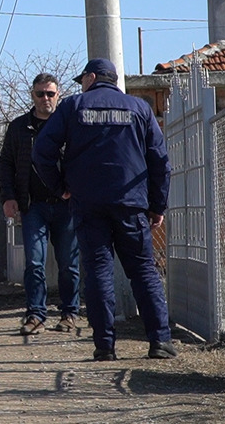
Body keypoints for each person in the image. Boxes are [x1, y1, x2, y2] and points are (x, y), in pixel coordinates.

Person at [32, 58, 176, 361]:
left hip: (88, 203)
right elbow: (160, 161)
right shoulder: (139, 109)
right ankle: (160, 342)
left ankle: (105, 346)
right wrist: (157, 205)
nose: (81, 84)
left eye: (82, 79)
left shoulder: (73, 107)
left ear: (92, 77)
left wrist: (60, 188)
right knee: (143, 271)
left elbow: (42, 151)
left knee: (98, 272)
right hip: (132, 204)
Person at [0, 73, 80, 336]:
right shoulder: (19, 128)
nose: (45, 98)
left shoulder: (70, 125)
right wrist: (8, 197)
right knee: (34, 262)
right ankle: (35, 314)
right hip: (33, 206)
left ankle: (69, 313)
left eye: (50, 93)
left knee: (68, 263)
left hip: (66, 206)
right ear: (32, 95)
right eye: (40, 93)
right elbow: (6, 165)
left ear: (59, 95)